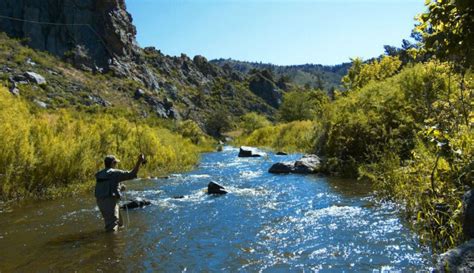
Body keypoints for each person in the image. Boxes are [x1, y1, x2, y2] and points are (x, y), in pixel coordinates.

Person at [95, 154, 145, 232]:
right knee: (113, 225)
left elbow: (107, 185)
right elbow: (132, 174)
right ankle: (112, 242)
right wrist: (139, 161)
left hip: (100, 201)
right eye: (115, 163)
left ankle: (117, 237)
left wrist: (119, 188)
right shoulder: (114, 173)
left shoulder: (100, 174)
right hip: (110, 201)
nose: (116, 165)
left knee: (119, 223)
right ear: (112, 163)